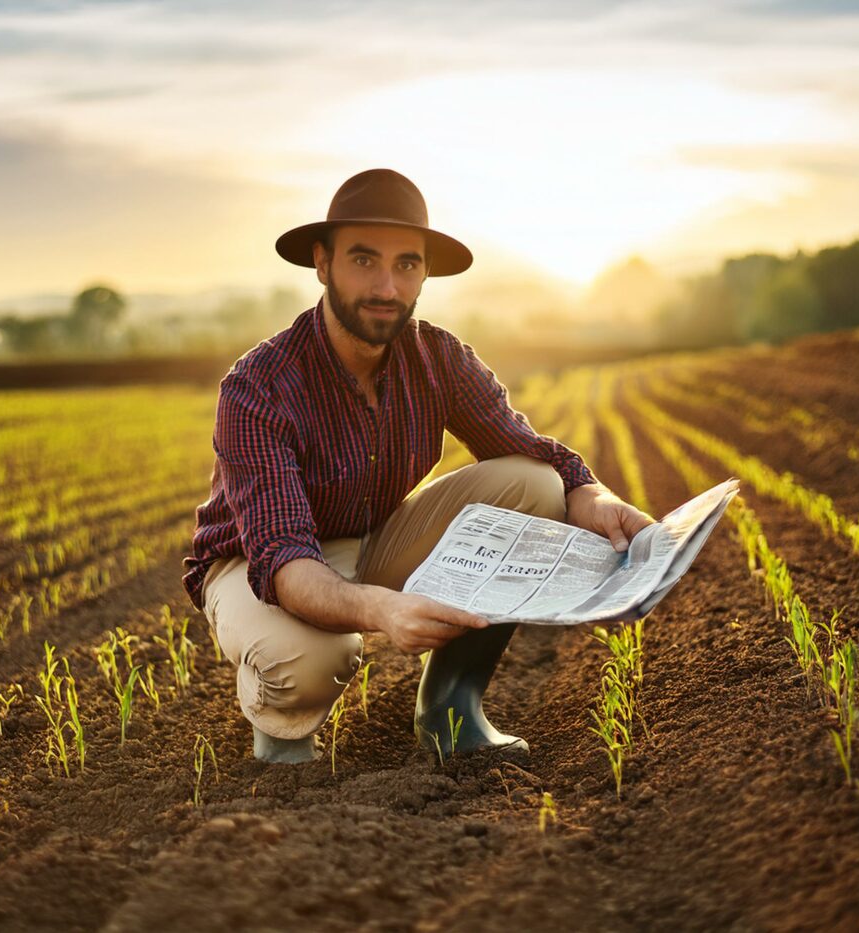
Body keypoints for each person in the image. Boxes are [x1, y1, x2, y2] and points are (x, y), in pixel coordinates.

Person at [182, 169, 653, 764]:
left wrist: (593, 496)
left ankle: (451, 707)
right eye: (363, 260)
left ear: (425, 275)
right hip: (256, 562)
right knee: (311, 663)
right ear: (322, 263)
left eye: (406, 265)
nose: (386, 285)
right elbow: (284, 560)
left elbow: (533, 452)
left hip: (372, 539)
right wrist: (381, 609)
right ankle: (280, 728)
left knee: (535, 483)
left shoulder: (438, 357)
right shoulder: (259, 387)